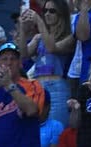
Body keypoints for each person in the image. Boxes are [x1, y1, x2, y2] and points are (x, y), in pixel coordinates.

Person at [19, 0, 76, 129]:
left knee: (56, 130)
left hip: (57, 88)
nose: (47, 14)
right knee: (35, 131)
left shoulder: (70, 37)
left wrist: (39, 21)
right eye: (45, 11)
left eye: (52, 11)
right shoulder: (39, 37)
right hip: (37, 87)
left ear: (61, 14)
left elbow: (52, 48)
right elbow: (23, 54)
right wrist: (22, 29)